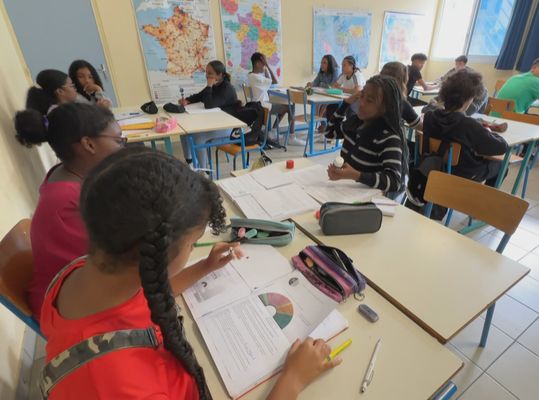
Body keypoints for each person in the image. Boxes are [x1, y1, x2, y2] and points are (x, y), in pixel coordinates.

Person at [40, 147, 341, 399]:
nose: (195, 249)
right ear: (155, 254)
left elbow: (142, 298)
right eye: (193, 244)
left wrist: (204, 266)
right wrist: (292, 380)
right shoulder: (125, 386)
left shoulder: (85, 270)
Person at [13, 102, 125, 320]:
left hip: (77, 286)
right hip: (62, 308)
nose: (123, 147)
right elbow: (115, 261)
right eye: (119, 140)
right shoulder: (68, 201)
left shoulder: (67, 172)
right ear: (88, 144)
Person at [423, 69, 509, 187]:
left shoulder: (430, 116)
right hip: (462, 174)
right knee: (502, 165)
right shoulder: (468, 124)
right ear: (469, 99)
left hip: (432, 168)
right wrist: (489, 132)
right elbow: (501, 147)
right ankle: (476, 199)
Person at [325, 75, 409, 195]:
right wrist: (346, 103)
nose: (362, 103)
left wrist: (356, 176)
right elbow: (329, 132)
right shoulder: (355, 123)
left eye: (369, 100)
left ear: (386, 107)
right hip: (347, 191)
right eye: (361, 96)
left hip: (368, 199)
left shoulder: (388, 137)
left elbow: (395, 181)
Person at [178, 60, 239, 168]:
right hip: (215, 123)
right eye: (206, 73)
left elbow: (209, 104)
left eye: (210, 73)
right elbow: (200, 95)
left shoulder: (227, 88)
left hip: (229, 128)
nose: (207, 76)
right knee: (185, 132)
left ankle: (204, 170)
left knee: (198, 138)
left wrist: (209, 86)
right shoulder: (216, 85)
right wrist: (187, 100)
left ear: (219, 75)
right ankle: (189, 162)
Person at [247, 52, 292, 138]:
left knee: (285, 106)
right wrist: (267, 66)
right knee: (289, 108)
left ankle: (273, 131)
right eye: (263, 63)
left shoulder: (251, 75)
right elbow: (274, 81)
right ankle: (289, 136)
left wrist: (265, 69)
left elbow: (269, 81)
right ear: (257, 63)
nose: (264, 65)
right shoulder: (257, 78)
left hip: (257, 105)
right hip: (263, 107)